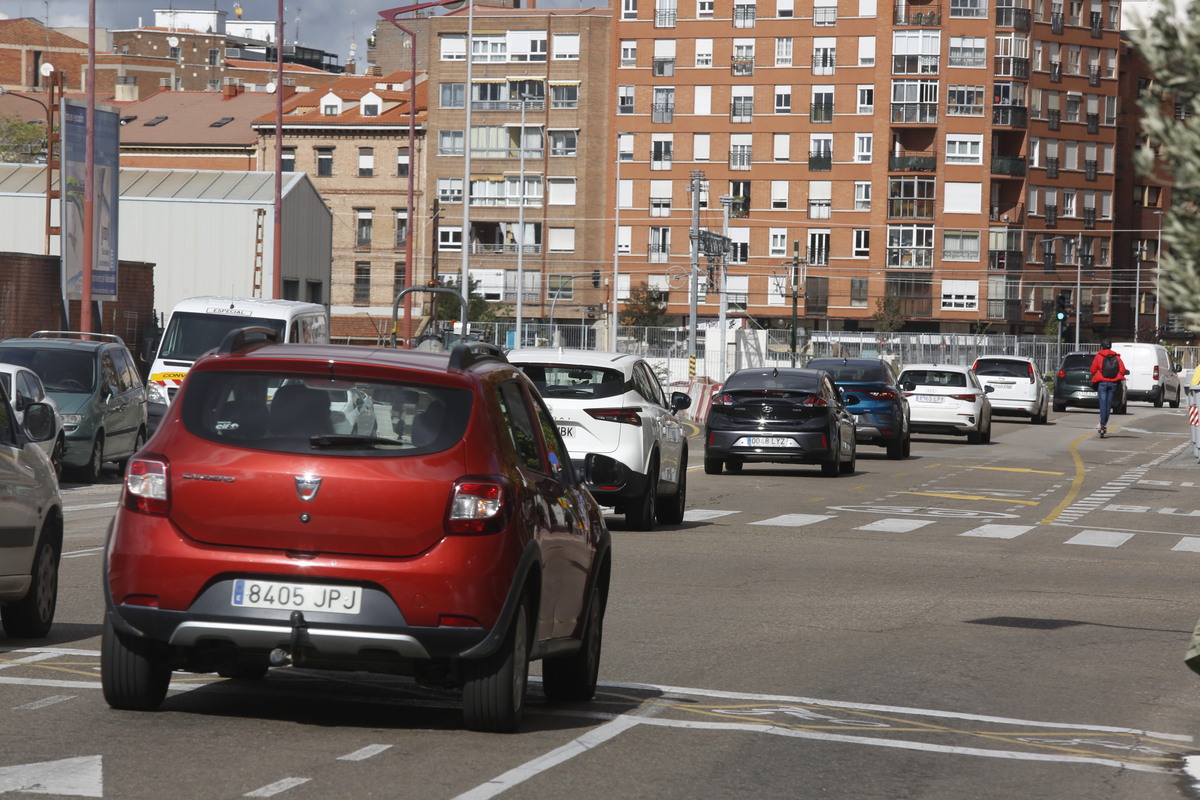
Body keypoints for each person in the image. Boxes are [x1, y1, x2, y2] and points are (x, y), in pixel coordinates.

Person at [1089, 340, 1127, 437]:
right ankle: (1104, 425)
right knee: (1108, 405)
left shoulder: (1099, 356)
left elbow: (1093, 369)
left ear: (1102, 346)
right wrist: (1115, 376)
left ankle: (1102, 425)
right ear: (1110, 347)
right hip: (1113, 383)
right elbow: (1122, 370)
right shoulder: (1117, 357)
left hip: (1102, 383)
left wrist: (1097, 375)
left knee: (1103, 405)